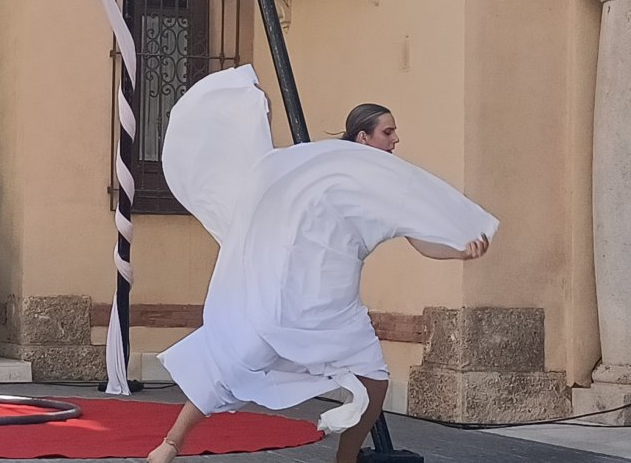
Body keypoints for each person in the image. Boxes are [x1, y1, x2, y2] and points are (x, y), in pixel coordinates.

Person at [145, 65, 496, 463]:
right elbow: (267, 174)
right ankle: (171, 443)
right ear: (363, 137)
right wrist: (257, 103)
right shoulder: (318, 167)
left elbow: (420, 240)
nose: (396, 138)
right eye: (387, 132)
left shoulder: (387, 183)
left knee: (374, 385)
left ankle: (344, 460)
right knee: (232, 364)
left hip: (337, 307)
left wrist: (460, 251)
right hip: (291, 299)